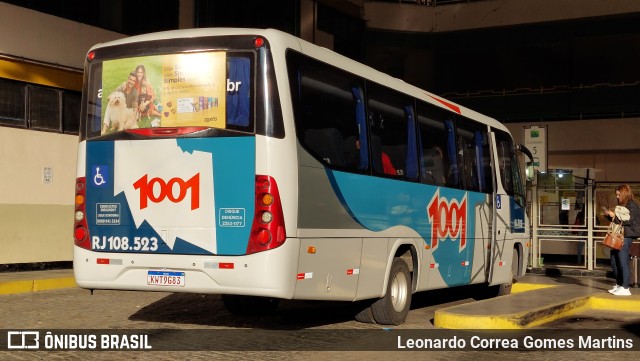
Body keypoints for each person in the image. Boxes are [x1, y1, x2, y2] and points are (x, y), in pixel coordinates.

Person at [604, 184, 640, 296]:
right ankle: (620, 285)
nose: (618, 197)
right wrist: (610, 215)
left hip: (626, 236)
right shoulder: (625, 204)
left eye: (619, 194)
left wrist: (614, 215)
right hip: (620, 236)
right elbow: (618, 220)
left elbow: (628, 220)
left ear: (624, 193)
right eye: (617, 195)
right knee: (614, 261)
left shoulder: (632, 204)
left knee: (622, 261)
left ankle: (625, 287)